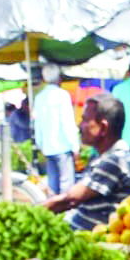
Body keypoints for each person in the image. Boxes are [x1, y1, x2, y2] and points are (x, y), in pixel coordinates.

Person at [42, 92, 130, 230]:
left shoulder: (116, 160)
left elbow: (70, 199)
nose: (79, 126)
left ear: (103, 128)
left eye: (85, 120)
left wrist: (35, 212)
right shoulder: (103, 157)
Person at [31, 66, 79, 194]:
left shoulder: (39, 97)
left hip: (47, 147)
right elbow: (67, 122)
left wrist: (40, 143)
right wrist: (75, 145)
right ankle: (66, 211)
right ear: (59, 78)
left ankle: (54, 209)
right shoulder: (62, 95)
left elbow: (37, 124)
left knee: (52, 183)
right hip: (63, 145)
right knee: (67, 183)